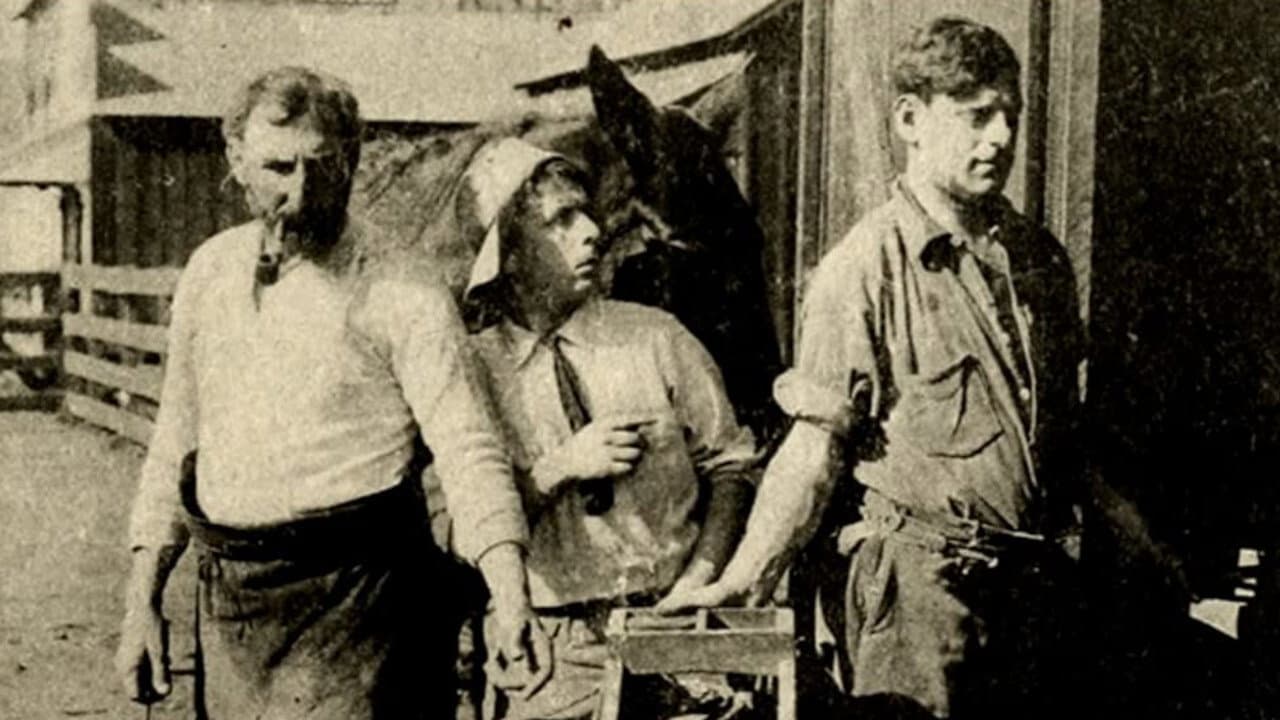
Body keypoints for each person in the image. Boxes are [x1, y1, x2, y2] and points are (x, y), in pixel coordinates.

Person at [661, 17, 1086, 719]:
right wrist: (745, 578)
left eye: (1010, 115)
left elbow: (1065, 440)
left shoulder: (1039, 262)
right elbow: (813, 449)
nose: (1002, 137)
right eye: (978, 115)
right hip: (921, 602)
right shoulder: (862, 270)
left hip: (1027, 597)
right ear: (910, 119)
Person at [113, 67, 543, 719]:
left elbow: (468, 450)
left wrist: (511, 598)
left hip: (363, 607)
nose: (302, 191)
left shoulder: (405, 289)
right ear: (236, 160)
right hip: (235, 607)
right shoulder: (210, 273)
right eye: (278, 167)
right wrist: (140, 601)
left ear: (352, 160)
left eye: (322, 166)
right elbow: (175, 441)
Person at [455, 137, 758, 720]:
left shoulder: (655, 337)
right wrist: (561, 468)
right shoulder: (472, 371)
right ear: (509, 254)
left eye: (586, 212)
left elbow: (733, 467)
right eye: (561, 220)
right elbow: (456, 527)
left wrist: (698, 581)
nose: (592, 231)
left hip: (674, 630)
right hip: (553, 650)